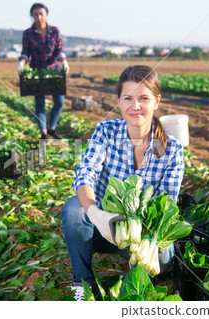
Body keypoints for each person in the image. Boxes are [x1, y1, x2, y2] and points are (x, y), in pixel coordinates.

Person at [61, 65, 185, 301]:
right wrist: (97, 214)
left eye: (144, 98)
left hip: (145, 234)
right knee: (73, 210)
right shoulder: (106, 131)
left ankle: (135, 270)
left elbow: (166, 204)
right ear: (118, 101)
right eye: (127, 98)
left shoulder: (173, 149)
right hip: (105, 229)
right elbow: (85, 173)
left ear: (157, 101)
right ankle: (82, 282)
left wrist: (141, 240)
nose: (135, 106)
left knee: (164, 264)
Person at [18, 2, 69, 140]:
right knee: (39, 103)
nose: (39, 17)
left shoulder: (54, 31)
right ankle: (44, 133)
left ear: (46, 15)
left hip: (53, 70)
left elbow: (58, 50)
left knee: (59, 102)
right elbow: (25, 52)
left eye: (41, 14)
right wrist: (21, 63)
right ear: (32, 16)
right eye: (36, 14)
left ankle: (52, 128)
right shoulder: (28, 34)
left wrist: (63, 60)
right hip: (37, 72)